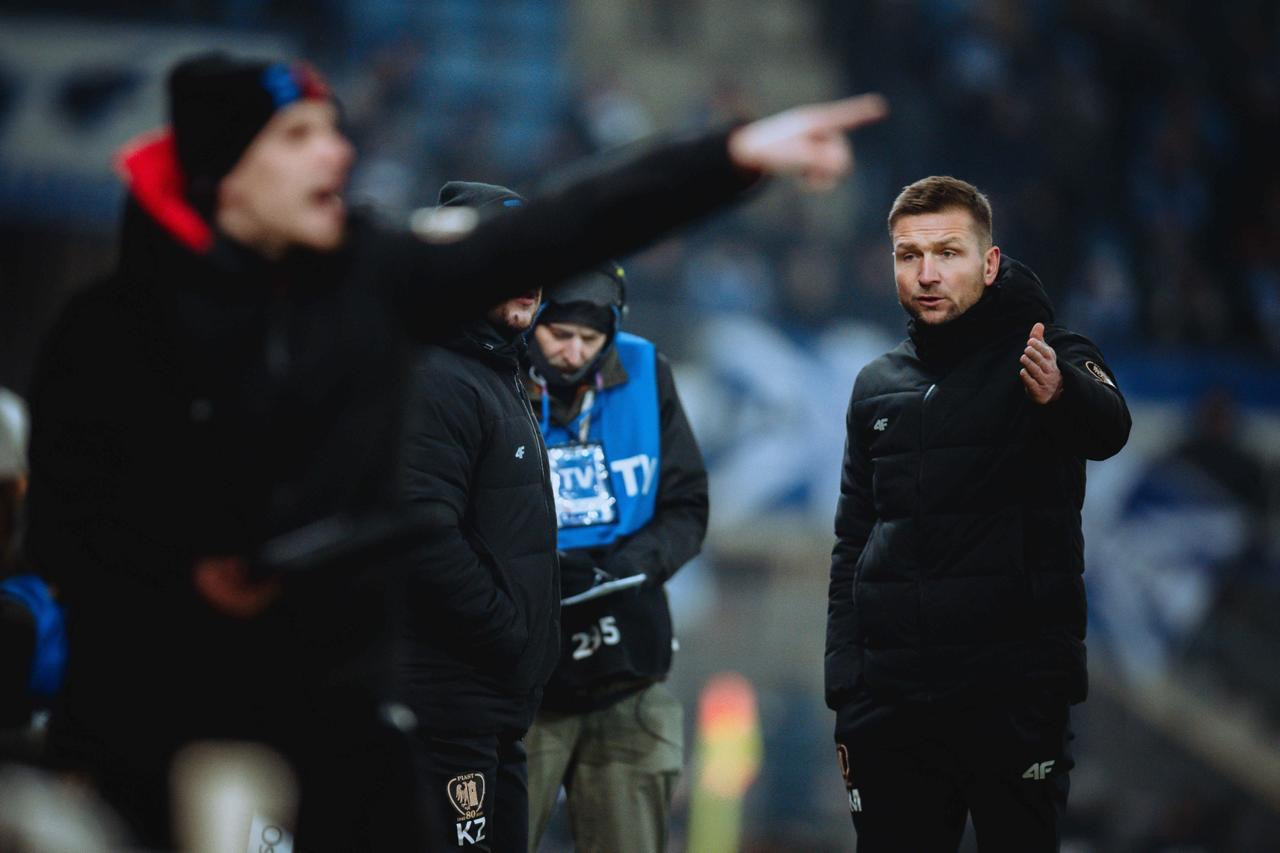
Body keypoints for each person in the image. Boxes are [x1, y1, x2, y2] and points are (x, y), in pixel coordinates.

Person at [24, 51, 886, 848]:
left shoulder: (365, 281)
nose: (336, 153)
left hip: (342, 721)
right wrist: (196, 572)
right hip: (167, 727)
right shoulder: (106, 338)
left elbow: (557, 228)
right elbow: (66, 545)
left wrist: (731, 155)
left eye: (332, 130)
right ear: (223, 174)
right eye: (297, 136)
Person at [824, 176, 1131, 852]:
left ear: (990, 264)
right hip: (892, 706)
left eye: (948, 253)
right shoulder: (875, 386)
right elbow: (853, 538)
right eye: (909, 255)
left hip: (1014, 697)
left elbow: (1111, 427)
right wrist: (846, 683)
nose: (927, 274)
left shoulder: (1051, 352)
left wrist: (1063, 392)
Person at [523, 260, 707, 852]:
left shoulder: (647, 370)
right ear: (532, 319)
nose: (574, 353)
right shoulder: (493, 377)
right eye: (559, 334)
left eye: (591, 337)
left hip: (627, 668)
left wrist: (625, 570)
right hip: (522, 683)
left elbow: (687, 506)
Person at [399, 181, 556, 852]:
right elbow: (419, 531)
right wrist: (507, 627)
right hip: (449, 703)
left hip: (493, 707)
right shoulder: (438, 375)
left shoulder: (498, 374)